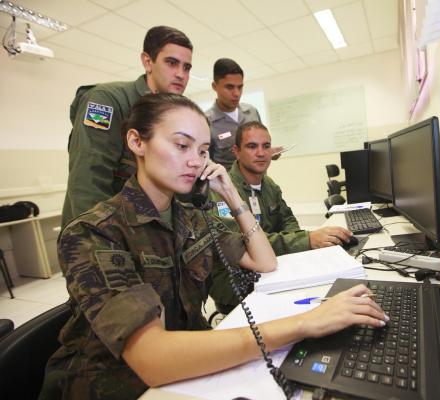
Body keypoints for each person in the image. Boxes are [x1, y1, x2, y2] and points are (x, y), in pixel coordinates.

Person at [39, 93, 387, 400]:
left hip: (188, 364)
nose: (195, 160)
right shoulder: (94, 232)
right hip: (113, 385)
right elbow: (153, 358)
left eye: (203, 150)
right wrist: (304, 323)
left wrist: (232, 195)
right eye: (181, 145)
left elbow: (263, 261)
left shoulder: (189, 217)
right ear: (136, 142)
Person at [209, 121, 354, 313]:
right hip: (235, 281)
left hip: (272, 267)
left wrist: (302, 246)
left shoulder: (269, 185)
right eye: (252, 146)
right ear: (236, 151)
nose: (261, 153)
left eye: (266, 146)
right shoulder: (222, 192)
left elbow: (288, 220)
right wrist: (305, 241)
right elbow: (245, 245)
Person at [60, 25, 193, 229]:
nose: (180, 74)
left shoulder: (175, 114)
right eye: (172, 63)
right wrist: (99, 239)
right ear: (148, 62)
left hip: (149, 230)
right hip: (107, 233)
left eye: (186, 67)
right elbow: (89, 182)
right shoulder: (106, 101)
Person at [206, 58, 283, 170]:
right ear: (214, 86)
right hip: (227, 184)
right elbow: (204, 162)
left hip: (258, 181)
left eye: (240, 87)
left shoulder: (252, 112)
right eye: (229, 87)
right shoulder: (206, 121)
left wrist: (269, 152)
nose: (236, 93)